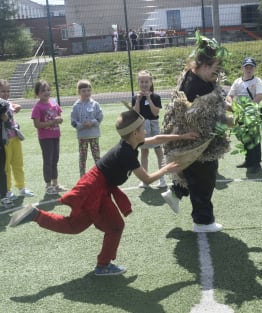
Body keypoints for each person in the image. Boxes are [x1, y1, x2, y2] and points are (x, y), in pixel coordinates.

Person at [8, 110, 198, 276]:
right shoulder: (127, 153)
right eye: (142, 128)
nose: (145, 131)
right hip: (94, 189)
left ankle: (36, 215)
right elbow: (147, 179)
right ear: (134, 133)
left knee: (87, 226)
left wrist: (182, 136)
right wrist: (166, 169)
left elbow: (156, 140)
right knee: (105, 226)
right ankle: (103, 265)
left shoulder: (130, 144)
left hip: (98, 187)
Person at [160, 31, 234, 233]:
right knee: (204, 179)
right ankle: (203, 222)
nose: (218, 73)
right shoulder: (197, 87)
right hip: (197, 144)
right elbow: (206, 119)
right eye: (215, 68)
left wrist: (229, 108)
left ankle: (175, 193)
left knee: (193, 174)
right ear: (203, 65)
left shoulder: (197, 78)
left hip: (192, 143)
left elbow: (217, 102)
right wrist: (232, 121)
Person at [227, 57, 262, 173]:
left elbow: (259, 96)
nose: (249, 69)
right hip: (240, 113)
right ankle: (248, 160)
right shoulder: (237, 81)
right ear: (242, 68)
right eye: (246, 67)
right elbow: (230, 96)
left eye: (251, 67)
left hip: (252, 114)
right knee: (244, 137)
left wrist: (248, 108)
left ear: (254, 69)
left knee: (254, 138)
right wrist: (233, 106)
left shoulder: (257, 81)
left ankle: (256, 164)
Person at [31, 80, 67, 195]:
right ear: (38, 93)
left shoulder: (53, 103)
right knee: (48, 161)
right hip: (45, 138)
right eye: (43, 90)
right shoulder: (38, 107)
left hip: (55, 135)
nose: (46, 92)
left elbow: (59, 115)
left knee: (55, 160)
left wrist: (59, 119)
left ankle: (55, 184)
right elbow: (37, 125)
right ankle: (48, 186)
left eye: (48, 89)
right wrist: (52, 122)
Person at [0, 79, 34, 200]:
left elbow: (14, 106)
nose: (5, 93)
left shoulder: (8, 103)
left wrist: (16, 106)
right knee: (6, 167)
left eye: (7, 91)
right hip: (5, 141)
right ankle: (7, 190)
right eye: (2, 91)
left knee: (18, 163)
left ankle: (21, 187)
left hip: (15, 138)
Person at [132, 70, 166, 188]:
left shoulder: (156, 97)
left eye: (146, 81)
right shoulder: (135, 97)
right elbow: (135, 113)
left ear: (151, 82)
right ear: (138, 83)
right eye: (141, 82)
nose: (144, 84)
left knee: (158, 151)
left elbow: (155, 112)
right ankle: (145, 180)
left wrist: (149, 98)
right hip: (142, 127)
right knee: (144, 152)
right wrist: (138, 100)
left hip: (154, 125)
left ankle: (162, 179)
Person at [71, 80, 104, 177]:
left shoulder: (95, 104)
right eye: (84, 91)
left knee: (97, 156)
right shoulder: (76, 106)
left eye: (88, 90)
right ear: (79, 92)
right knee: (82, 157)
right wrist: (81, 125)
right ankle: (82, 176)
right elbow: (73, 121)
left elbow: (100, 117)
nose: (86, 93)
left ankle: (100, 174)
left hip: (94, 135)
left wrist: (93, 122)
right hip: (82, 136)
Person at [0, 98, 13, 208]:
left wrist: (6, 119)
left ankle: (4, 196)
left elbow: (9, 125)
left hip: (1, 144)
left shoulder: (3, 104)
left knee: (1, 171)